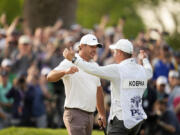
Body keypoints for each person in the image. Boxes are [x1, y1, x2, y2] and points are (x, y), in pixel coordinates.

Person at [63, 39, 153, 135]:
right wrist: (145, 59)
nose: (114, 54)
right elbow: (150, 72)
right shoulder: (142, 70)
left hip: (120, 120)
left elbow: (94, 70)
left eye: (115, 52)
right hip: (136, 121)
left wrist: (74, 60)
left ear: (120, 53)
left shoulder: (118, 69)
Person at [47, 34, 106, 135]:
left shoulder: (94, 65)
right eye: (91, 46)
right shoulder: (70, 61)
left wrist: (102, 114)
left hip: (90, 115)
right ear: (82, 46)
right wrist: (65, 72)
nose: (94, 49)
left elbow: (99, 91)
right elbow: (50, 76)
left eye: (96, 47)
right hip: (75, 113)